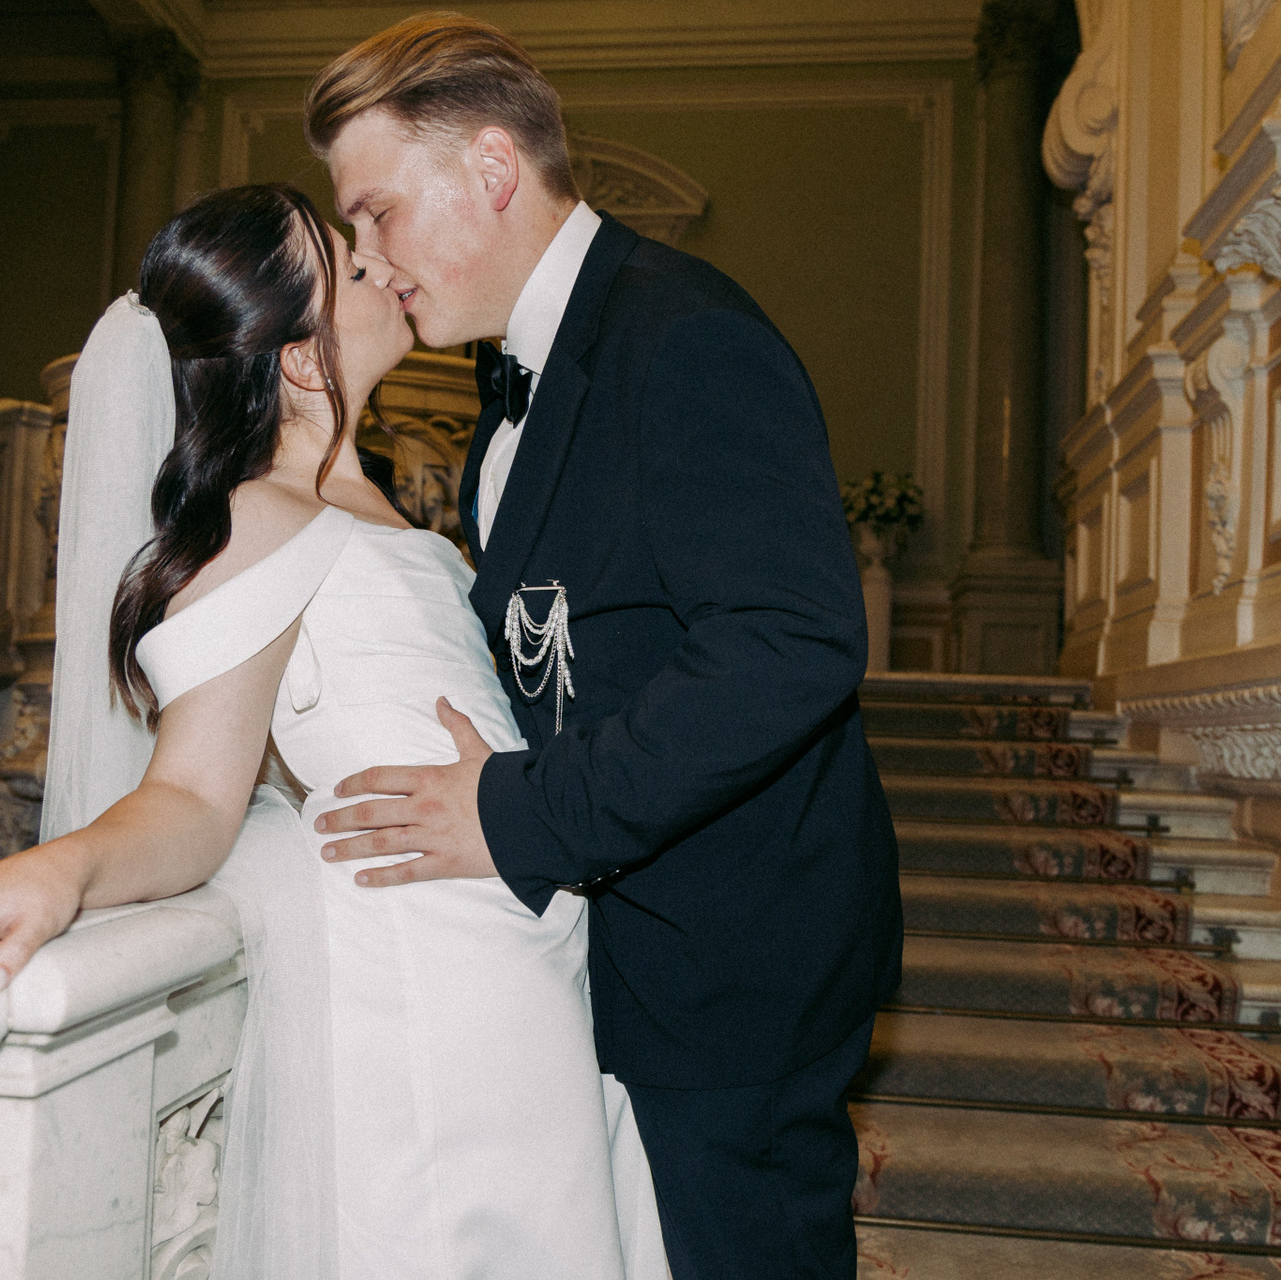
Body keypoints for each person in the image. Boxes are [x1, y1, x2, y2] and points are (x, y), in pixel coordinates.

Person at [0, 183, 668, 1280]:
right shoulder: (254, 517)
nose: (381, 262)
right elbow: (192, 792)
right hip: (430, 988)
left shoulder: (382, 506)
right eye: (349, 264)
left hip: (513, 957)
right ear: (298, 358)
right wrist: (58, 871)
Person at [303, 14, 903, 1279]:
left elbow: (790, 642)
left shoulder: (682, 333)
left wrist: (522, 811)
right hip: (634, 949)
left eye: (378, 213)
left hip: (734, 962)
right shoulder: (513, 384)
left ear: (491, 167)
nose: (368, 257)